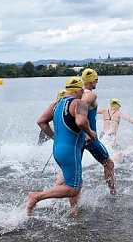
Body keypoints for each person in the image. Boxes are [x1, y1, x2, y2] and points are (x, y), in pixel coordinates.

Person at [27, 77, 97, 216]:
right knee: (74, 189)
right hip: (70, 151)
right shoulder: (79, 103)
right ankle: (37, 196)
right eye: (82, 91)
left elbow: (41, 122)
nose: (83, 94)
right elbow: (81, 121)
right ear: (78, 90)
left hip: (58, 149)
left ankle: (74, 212)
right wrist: (90, 133)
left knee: (75, 181)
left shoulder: (56, 104)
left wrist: (55, 137)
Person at [80, 68, 116, 195]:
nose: (97, 82)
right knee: (109, 163)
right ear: (91, 81)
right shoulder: (90, 95)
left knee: (74, 170)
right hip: (90, 138)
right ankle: (113, 193)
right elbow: (81, 108)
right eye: (96, 80)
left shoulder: (78, 93)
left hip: (77, 139)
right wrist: (87, 132)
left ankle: (64, 197)